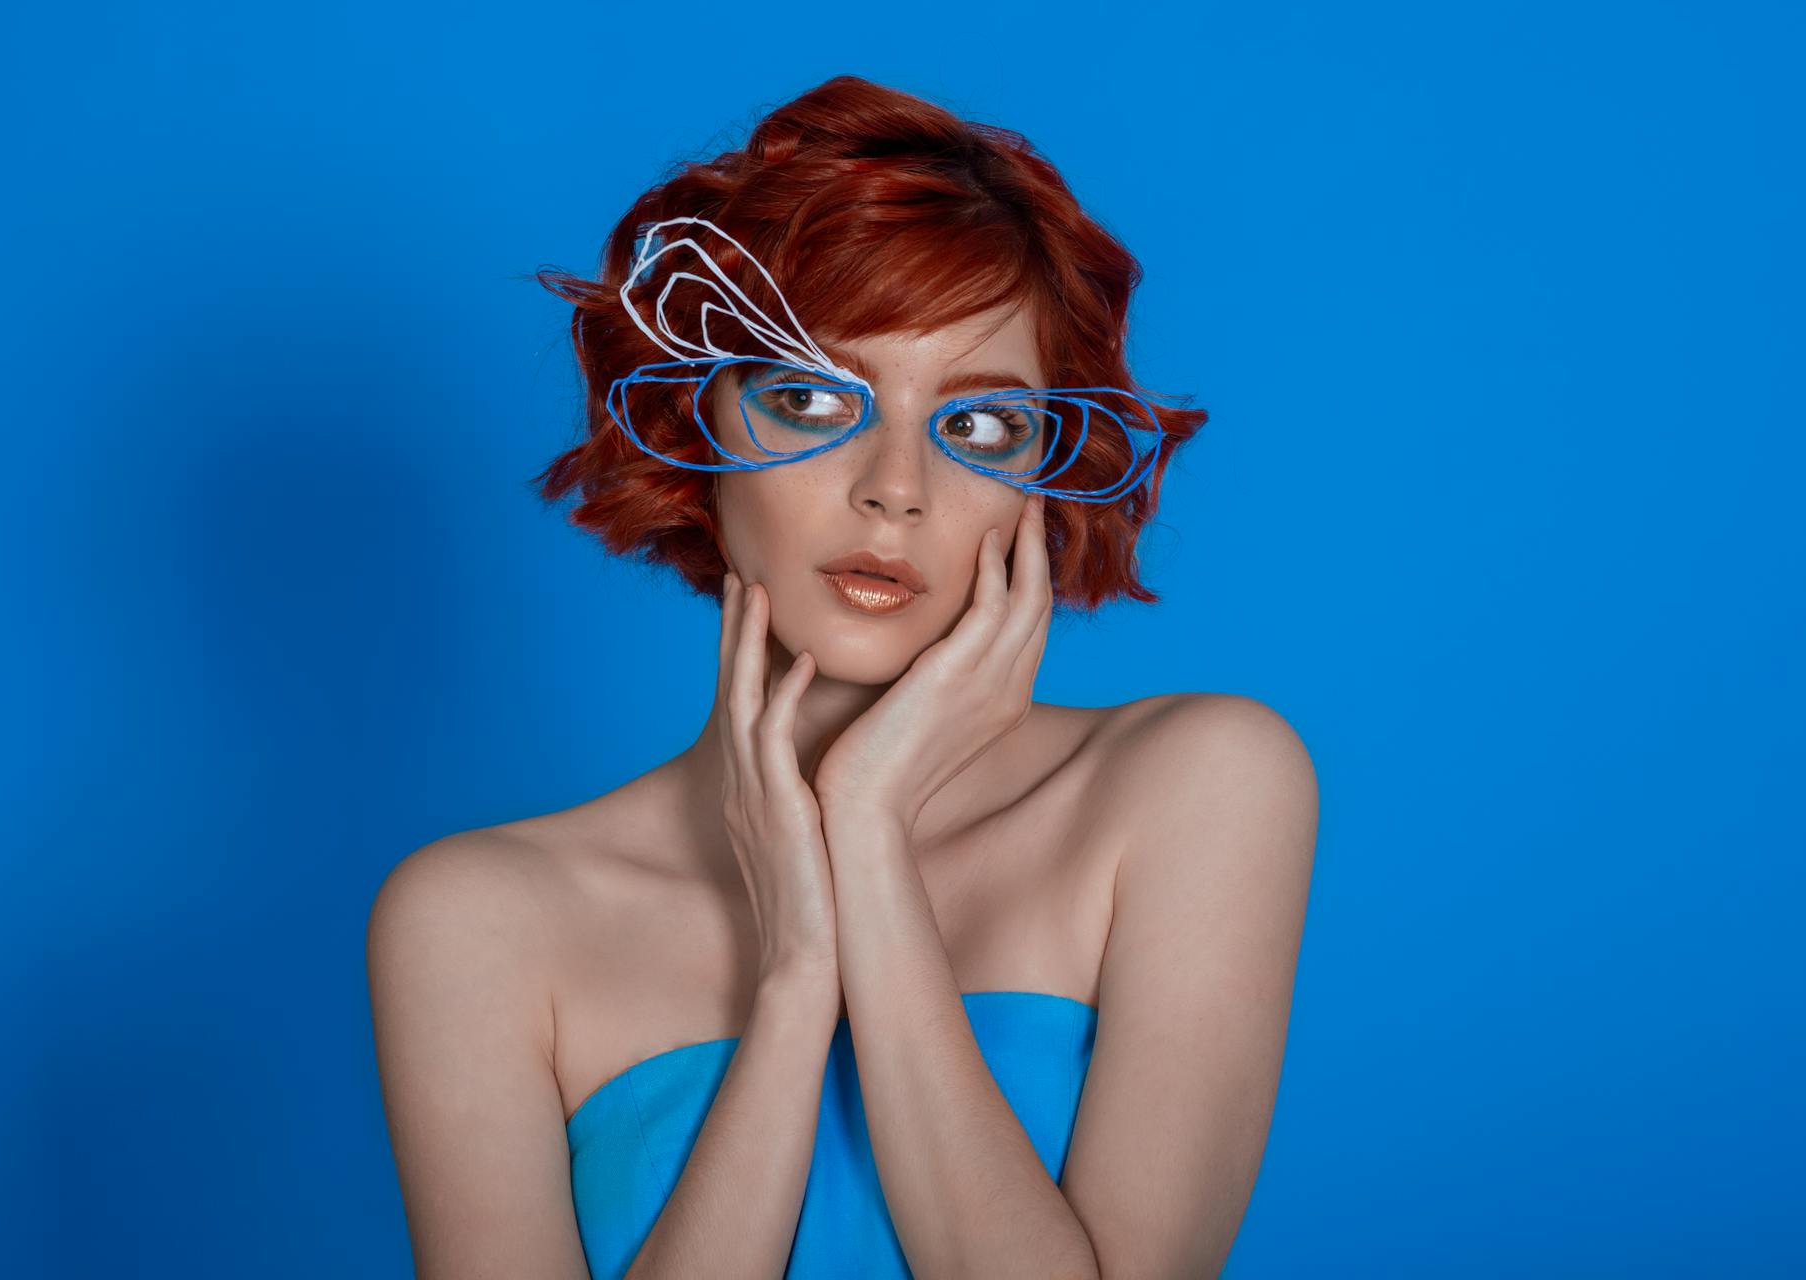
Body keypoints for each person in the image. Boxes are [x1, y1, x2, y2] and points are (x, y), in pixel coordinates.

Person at [367, 75, 1319, 1280]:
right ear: (690, 426)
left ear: (1043, 472)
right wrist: (793, 982)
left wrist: (866, 833)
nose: (895, 485)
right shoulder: (477, 921)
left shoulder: (1192, 786)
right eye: (811, 396)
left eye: (979, 427)